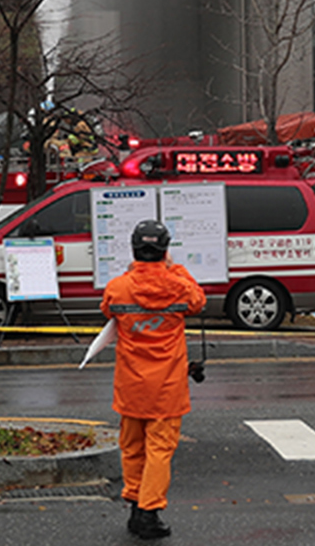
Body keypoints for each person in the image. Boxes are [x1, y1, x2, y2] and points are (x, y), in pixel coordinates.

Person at [103, 219, 207, 541]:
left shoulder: (118, 288)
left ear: (134, 248)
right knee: (159, 449)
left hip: (130, 384)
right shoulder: (178, 286)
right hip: (167, 387)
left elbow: (107, 310)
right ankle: (149, 513)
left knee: (132, 448)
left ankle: (135, 505)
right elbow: (198, 300)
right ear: (165, 250)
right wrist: (174, 270)